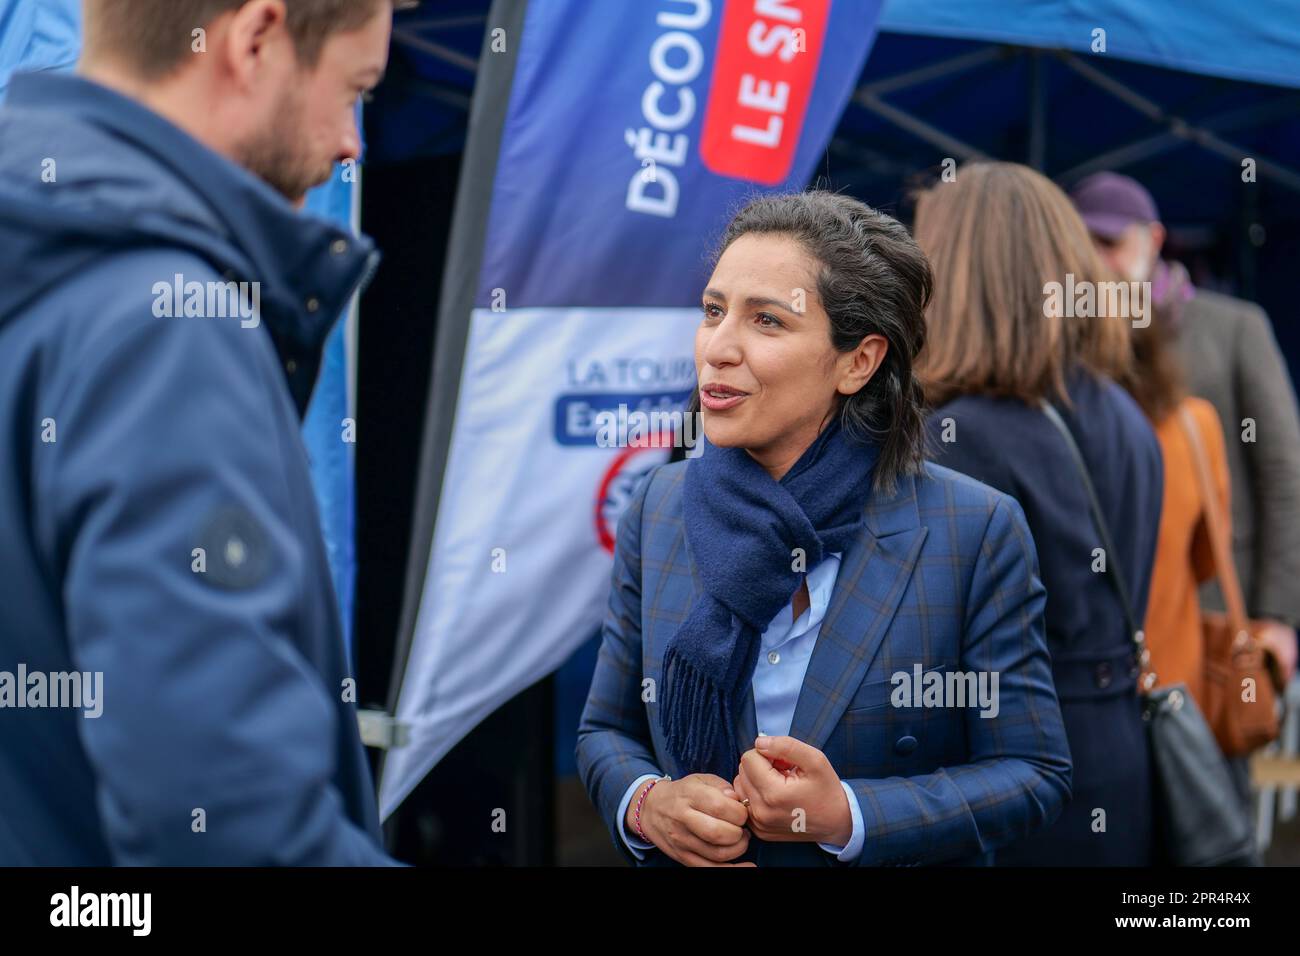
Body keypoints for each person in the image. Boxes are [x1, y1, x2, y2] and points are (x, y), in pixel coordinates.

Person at [0, 0, 400, 864]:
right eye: (352, 90)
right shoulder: (166, 325)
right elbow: (230, 826)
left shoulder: (45, 246)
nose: (350, 144)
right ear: (255, 39)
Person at [576, 191, 1072, 867]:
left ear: (857, 361)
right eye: (714, 311)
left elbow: (1033, 772)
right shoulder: (659, 507)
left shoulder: (972, 530)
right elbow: (606, 729)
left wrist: (849, 816)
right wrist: (645, 803)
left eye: (767, 322)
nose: (718, 348)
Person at [915, 162, 1163, 866]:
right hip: (1117, 756)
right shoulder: (1124, 413)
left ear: (956, 271)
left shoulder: (955, 440)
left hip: (1005, 779)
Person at [1071, 172, 1300, 686]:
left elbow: (1284, 473)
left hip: (1214, 611)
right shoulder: (1065, 343)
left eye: (1109, 241)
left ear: (1152, 240)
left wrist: (1279, 616)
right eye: (1083, 242)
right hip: (1106, 629)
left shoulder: (1235, 327)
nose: (1096, 259)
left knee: (1208, 764)